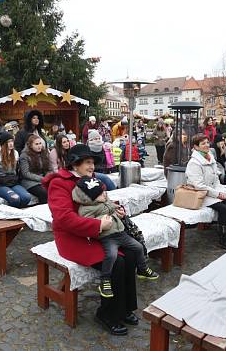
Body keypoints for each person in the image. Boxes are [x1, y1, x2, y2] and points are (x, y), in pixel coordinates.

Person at [43, 144, 141, 336]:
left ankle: (125, 308)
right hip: (72, 238)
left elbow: (102, 201)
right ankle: (107, 314)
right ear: (75, 164)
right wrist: (96, 226)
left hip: (98, 233)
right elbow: (63, 218)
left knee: (130, 254)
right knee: (116, 262)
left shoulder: (90, 179)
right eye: (88, 162)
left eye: (93, 163)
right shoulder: (59, 183)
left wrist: (117, 209)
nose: (92, 167)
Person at [72, 176, 158, 298]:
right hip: (107, 237)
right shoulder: (86, 208)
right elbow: (87, 221)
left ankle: (142, 269)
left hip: (120, 233)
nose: (105, 194)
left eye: (104, 191)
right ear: (90, 197)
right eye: (100, 193)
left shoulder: (105, 199)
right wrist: (100, 221)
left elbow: (112, 206)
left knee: (138, 247)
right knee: (111, 255)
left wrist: (119, 210)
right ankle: (105, 280)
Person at [186, 134, 226, 249]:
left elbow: (216, 178)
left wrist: (221, 191)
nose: (206, 145)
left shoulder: (210, 156)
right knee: (224, 209)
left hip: (211, 193)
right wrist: (217, 194)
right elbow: (199, 186)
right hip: (199, 194)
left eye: (207, 142)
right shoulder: (194, 162)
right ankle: (223, 238)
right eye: (203, 143)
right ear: (196, 147)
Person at [0, 132, 32, 208]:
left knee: (27, 197)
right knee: (15, 198)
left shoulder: (15, 153)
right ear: (3, 143)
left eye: (12, 141)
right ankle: (12, 215)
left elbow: (17, 170)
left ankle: (18, 213)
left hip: (13, 182)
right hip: (0, 184)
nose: (11, 144)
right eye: (8, 142)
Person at [19, 135, 52, 203]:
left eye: (40, 143)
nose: (39, 146)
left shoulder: (44, 152)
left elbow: (49, 169)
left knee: (55, 187)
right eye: (36, 144)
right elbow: (26, 173)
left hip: (43, 178)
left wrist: (47, 176)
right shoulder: (24, 155)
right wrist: (41, 178)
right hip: (29, 181)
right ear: (30, 145)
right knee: (44, 192)